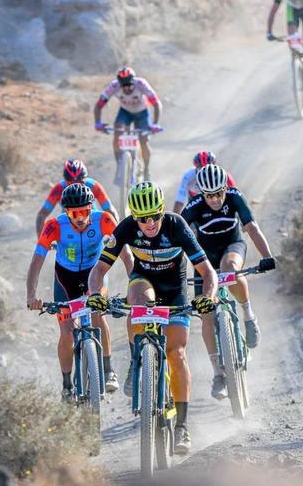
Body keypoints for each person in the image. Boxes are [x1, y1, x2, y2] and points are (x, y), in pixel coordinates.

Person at [86, 181, 217, 455]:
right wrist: (95, 293)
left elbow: (207, 272)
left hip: (175, 289)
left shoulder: (177, 226)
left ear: (162, 211)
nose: (149, 223)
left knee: (176, 353)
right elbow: (98, 269)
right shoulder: (125, 227)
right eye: (142, 218)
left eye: (155, 216)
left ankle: (182, 426)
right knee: (137, 299)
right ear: (135, 217)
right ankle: (137, 363)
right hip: (144, 280)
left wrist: (209, 297)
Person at [26, 183, 133, 401]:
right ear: (66, 212)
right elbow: (37, 261)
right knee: (66, 334)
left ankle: (107, 369)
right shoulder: (54, 225)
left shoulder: (103, 220)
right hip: (65, 281)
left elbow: (126, 255)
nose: (80, 218)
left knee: (97, 313)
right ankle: (67, 385)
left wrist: (135, 286)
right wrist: (31, 295)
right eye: (74, 213)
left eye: (85, 211)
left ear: (91, 208)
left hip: (94, 275)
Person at [180, 164, 277, 400]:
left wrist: (266, 256)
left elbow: (251, 228)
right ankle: (218, 374)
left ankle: (248, 315)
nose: (214, 200)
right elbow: (176, 240)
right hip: (205, 257)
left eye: (219, 194)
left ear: (226, 188)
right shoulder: (193, 207)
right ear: (201, 193)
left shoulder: (235, 197)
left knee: (230, 268)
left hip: (232, 245)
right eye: (209, 195)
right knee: (206, 313)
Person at [93, 67, 164, 181]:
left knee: (143, 140)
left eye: (129, 85)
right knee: (117, 133)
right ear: (119, 84)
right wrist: (97, 122)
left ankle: (146, 170)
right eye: (123, 85)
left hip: (142, 113)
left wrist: (155, 124)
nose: (126, 88)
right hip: (125, 112)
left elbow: (156, 104)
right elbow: (99, 105)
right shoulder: (114, 86)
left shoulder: (141, 84)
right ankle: (120, 167)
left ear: (133, 82)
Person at [36, 159, 117, 235]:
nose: (76, 186)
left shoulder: (94, 186)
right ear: (65, 179)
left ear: (85, 178)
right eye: (71, 183)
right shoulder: (58, 190)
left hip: (91, 223)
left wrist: (118, 237)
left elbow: (110, 211)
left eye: (80, 182)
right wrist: (43, 240)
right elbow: (41, 215)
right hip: (69, 225)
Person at [172, 151, 238, 213]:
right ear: (195, 167)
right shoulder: (188, 176)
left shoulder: (223, 174)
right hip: (197, 203)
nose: (204, 170)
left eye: (207, 166)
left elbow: (235, 195)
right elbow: (179, 200)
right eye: (201, 167)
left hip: (219, 202)